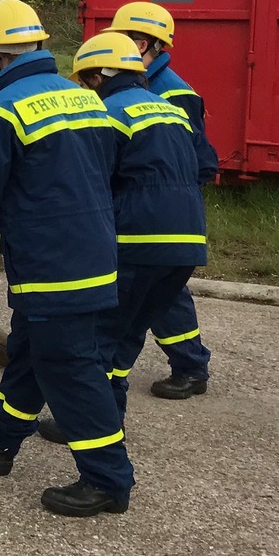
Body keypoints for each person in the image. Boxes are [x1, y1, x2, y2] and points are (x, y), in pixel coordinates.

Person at [0, 0, 132, 518]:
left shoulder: (1, 112)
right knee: (30, 349)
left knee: (69, 366)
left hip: (51, 263)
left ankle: (108, 479)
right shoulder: (86, 99)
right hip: (94, 250)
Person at [36, 33, 207, 445]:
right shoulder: (170, 110)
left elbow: (92, 180)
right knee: (127, 334)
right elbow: (205, 164)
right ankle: (110, 417)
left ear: (99, 76)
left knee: (100, 336)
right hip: (187, 243)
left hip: (137, 239)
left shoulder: (108, 113)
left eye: (85, 80)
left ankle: (92, 425)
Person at [105, 1, 216, 400]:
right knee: (158, 293)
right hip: (157, 209)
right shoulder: (142, 81)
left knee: (159, 296)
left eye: (123, 39)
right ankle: (185, 363)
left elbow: (201, 160)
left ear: (144, 42)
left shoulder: (174, 92)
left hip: (157, 208)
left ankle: (190, 365)